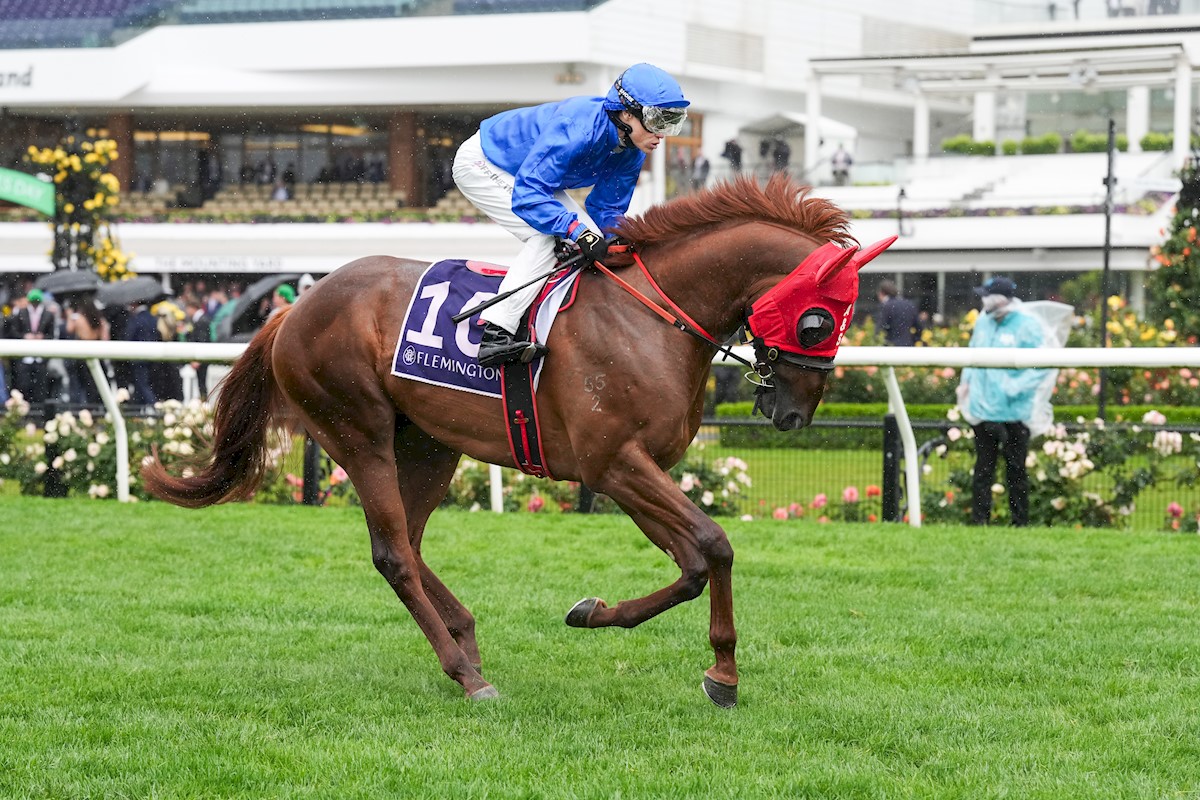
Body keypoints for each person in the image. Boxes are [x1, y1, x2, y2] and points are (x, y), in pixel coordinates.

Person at [452, 62, 689, 367]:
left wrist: (625, 237)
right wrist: (576, 230)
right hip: (485, 162)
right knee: (548, 237)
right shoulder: (577, 129)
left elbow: (606, 208)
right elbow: (529, 194)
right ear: (627, 114)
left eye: (671, 123)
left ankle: (556, 323)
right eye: (657, 121)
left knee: (593, 241)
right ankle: (497, 333)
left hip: (531, 177)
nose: (662, 134)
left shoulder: (633, 150)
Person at [957, 277, 1047, 527]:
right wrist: (965, 384)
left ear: (999, 299)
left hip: (1014, 413)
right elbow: (972, 355)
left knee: (1016, 469)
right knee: (983, 469)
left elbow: (1042, 365)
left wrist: (1015, 387)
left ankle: (1020, 522)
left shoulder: (1027, 325)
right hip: (983, 410)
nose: (983, 300)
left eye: (986, 295)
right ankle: (979, 522)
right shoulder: (983, 322)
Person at [9, 289, 56, 411]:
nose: (35, 305)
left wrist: (42, 337)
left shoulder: (48, 315)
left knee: (40, 388)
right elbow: (13, 332)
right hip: (24, 357)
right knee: (23, 386)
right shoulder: (20, 313)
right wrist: (25, 336)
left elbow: (51, 335)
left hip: (41, 357)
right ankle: (24, 412)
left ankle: (38, 413)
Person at [63, 296, 110, 405]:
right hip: (97, 354)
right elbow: (105, 339)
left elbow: (69, 329)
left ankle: (85, 408)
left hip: (83, 354)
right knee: (98, 384)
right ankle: (98, 407)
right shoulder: (100, 320)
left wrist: (69, 315)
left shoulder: (79, 319)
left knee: (83, 385)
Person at [875, 279, 922, 346]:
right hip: (908, 345)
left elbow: (879, 329)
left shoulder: (885, 306)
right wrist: (914, 339)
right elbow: (919, 327)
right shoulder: (909, 304)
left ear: (881, 293)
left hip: (891, 346)